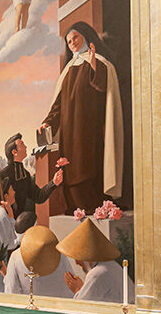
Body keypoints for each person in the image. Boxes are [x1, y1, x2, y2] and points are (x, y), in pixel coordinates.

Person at [40, 22, 123, 214]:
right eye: (68, 42)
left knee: (88, 165)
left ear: (86, 36)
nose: (72, 43)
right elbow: (59, 103)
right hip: (69, 132)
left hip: (89, 127)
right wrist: (48, 121)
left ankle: (94, 205)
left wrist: (94, 66)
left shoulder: (100, 62)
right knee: (70, 167)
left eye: (75, 37)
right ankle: (75, 207)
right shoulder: (68, 70)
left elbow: (104, 88)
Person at [0, 133, 63, 219]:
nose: (25, 147)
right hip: (4, 223)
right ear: (14, 152)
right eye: (22, 144)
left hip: (19, 224)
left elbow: (39, 197)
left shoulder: (25, 174)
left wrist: (53, 183)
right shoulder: (4, 174)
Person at [56, 218, 135, 303]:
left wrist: (77, 289)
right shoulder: (109, 265)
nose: (77, 263)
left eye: (77, 257)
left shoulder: (98, 273)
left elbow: (82, 306)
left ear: (86, 256)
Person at [5, 225, 73, 298]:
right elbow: (71, 287)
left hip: (30, 305)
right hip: (57, 306)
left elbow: (11, 291)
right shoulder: (61, 254)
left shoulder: (16, 256)